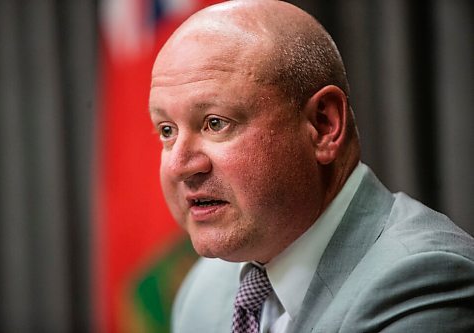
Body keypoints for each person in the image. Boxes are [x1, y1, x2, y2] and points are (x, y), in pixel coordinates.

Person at [148, 0, 474, 332]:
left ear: (323, 126)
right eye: (167, 131)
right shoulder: (203, 290)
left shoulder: (423, 283)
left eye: (215, 123)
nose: (179, 165)